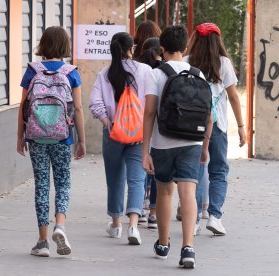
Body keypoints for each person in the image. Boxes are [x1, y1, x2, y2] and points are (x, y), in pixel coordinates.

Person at [142, 25, 212, 269]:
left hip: (164, 142)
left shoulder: (156, 74)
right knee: (188, 193)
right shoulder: (199, 75)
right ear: (185, 48)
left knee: (164, 192)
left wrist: (145, 150)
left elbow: (150, 112)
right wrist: (205, 146)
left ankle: (163, 243)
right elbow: (208, 115)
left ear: (162, 48)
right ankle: (189, 247)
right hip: (192, 141)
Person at [17, 26, 86, 257]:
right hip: (63, 137)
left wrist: (20, 136)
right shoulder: (71, 72)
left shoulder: (31, 71)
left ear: (43, 44)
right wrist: (81, 140)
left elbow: (23, 106)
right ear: (65, 46)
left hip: (36, 136)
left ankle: (43, 241)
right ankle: (60, 225)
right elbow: (76, 108)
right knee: (63, 182)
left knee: (42, 186)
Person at [89, 32, 151, 245]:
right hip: (139, 133)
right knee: (137, 179)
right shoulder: (145, 71)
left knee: (115, 178)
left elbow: (95, 104)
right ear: (131, 48)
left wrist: (109, 123)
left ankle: (116, 224)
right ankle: (133, 225)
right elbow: (153, 102)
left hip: (114, 133)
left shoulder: (105, 73)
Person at [185, 22, 246, 235]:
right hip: (218, 125)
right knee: (218, 169)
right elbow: (234, 97)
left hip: (190, 125)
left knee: (194, 171)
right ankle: (214, 216)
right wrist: (241, 126)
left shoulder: (186, 62)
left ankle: (193, 221)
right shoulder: (224, 63)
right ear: (217, 41)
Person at [133, 21, 162, 225]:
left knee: (140, 164)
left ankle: (140, 204)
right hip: (160, 126)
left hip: (137, 121)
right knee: (157, 169)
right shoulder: (161, 68)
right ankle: (153, 212)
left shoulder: (135, 65)